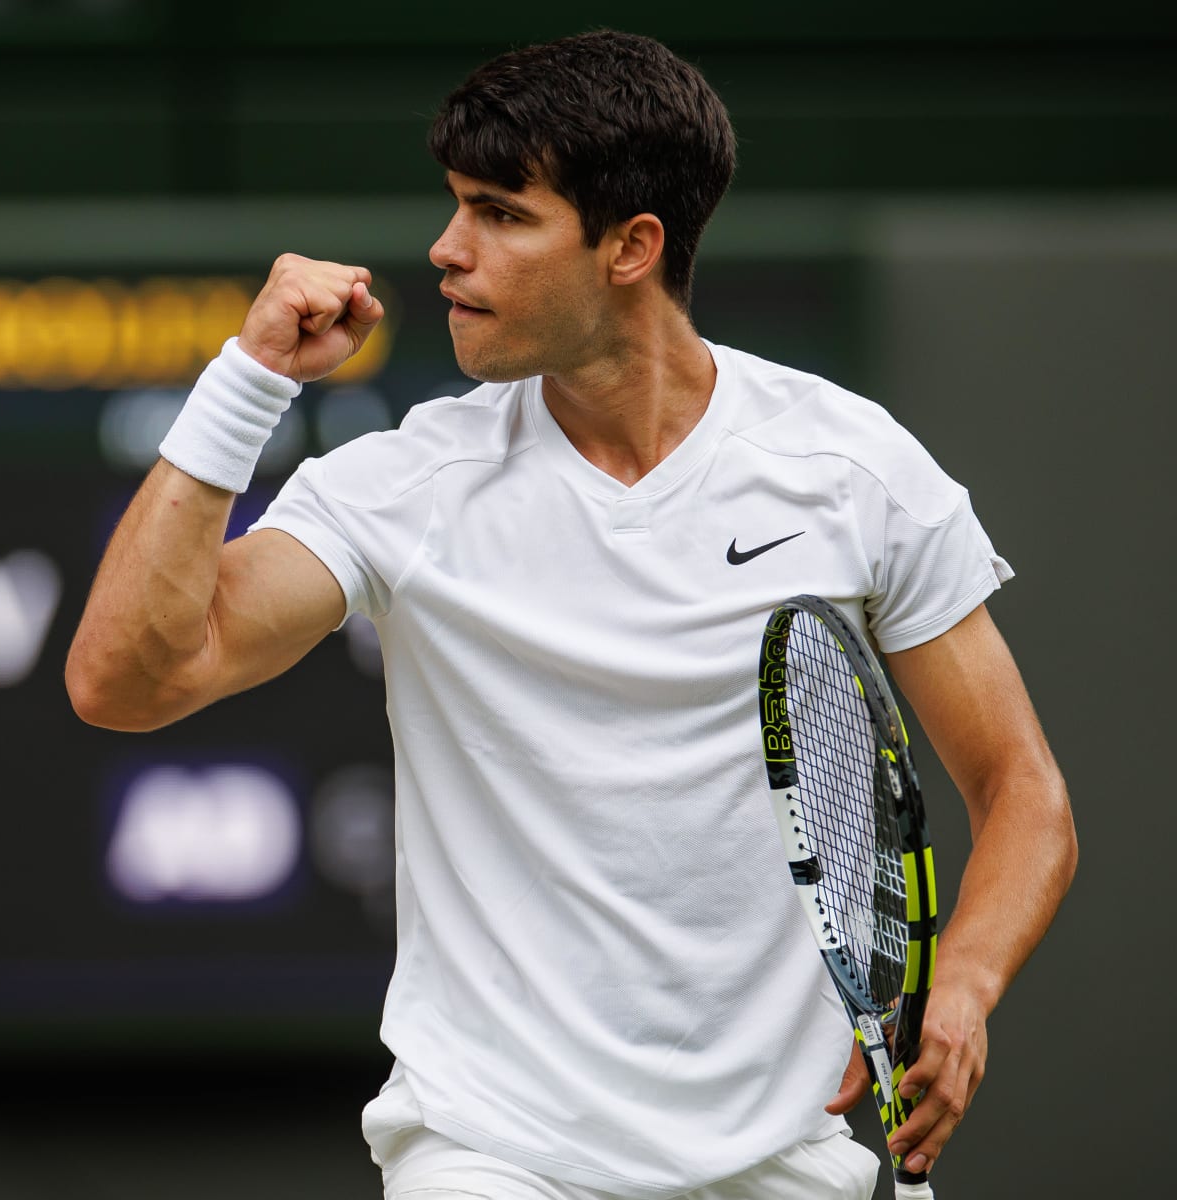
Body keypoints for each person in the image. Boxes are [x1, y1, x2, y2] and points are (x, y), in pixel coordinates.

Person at [65, 30, 1076, 1200]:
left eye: (500, 214)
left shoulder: (850, 469)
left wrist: (962, 988)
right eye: (455, 207)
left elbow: (1024, 791)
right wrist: (248, 380)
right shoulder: (404, 486)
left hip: (786, 1150)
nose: (446, 251)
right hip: (492, 1152)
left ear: (632, 248)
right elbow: (125, 681)